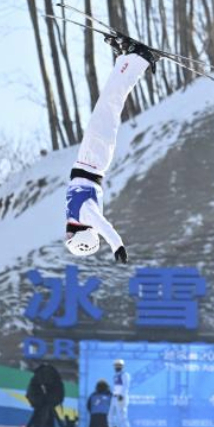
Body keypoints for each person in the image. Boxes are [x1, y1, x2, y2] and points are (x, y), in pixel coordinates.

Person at [65, 39, 159, 261]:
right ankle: (139, 59)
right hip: (93, 158)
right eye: (70, 237)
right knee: (110, 103)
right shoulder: (86, 215)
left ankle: (126, 59)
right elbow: (104, 227)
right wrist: (117, 246)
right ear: (83, 237)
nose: (67, 233)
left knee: (108, 103)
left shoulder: (79, 216)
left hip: (91, 160)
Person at [25, 362, 65, 427]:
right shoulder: (46, 374)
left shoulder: (42, 375)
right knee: (44, 414)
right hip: (47, 399)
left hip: (45, 400)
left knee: (42, 414)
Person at [109, 358, 133, 427]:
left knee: (122, 416)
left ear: (123, 366)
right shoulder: (115, 376)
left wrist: (122, 395)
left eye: (119, 366)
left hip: (121, 397)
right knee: (110, 416)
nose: (117, 367)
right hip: (114, 397)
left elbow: (126, 386)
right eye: (116, 366)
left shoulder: (125, 375)